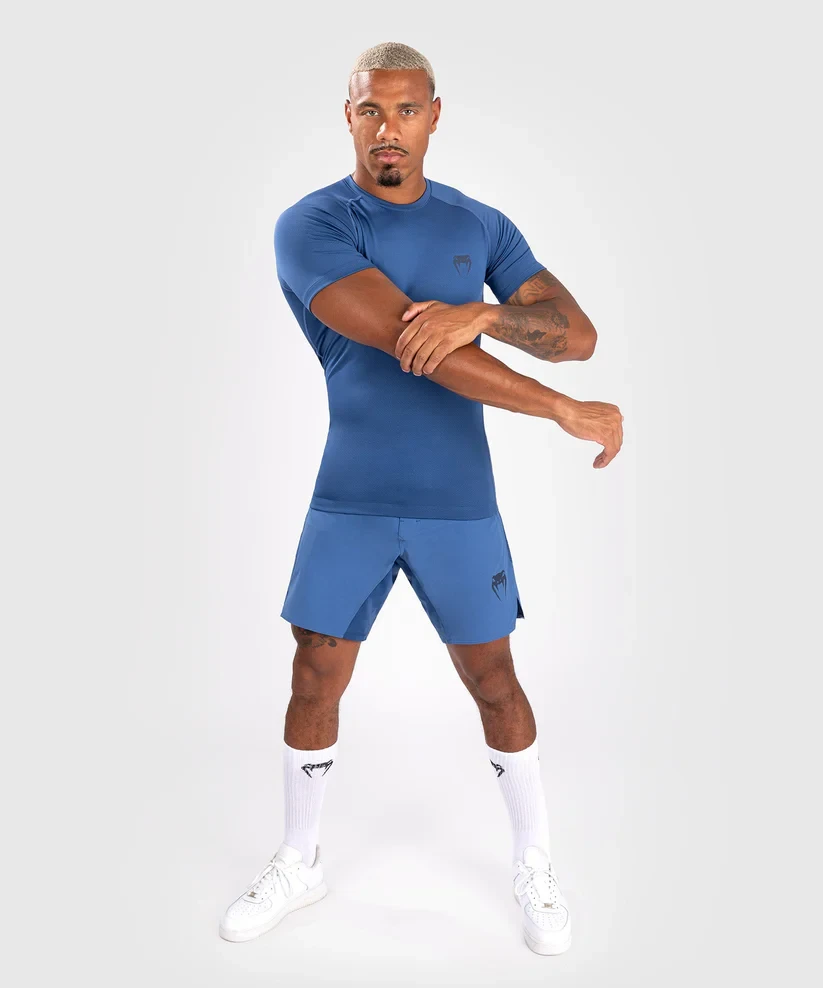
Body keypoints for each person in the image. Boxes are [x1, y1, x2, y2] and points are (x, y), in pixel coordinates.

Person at [219, 41, 623, 956]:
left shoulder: (479, 224)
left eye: (405, 110)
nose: (387, 128)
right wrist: (561, 409)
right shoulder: (312, 224)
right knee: (313, 673)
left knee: (495, 680)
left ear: (434, 116)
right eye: (370, 109)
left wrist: (483, 311)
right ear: (348, 117)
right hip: (350, 499)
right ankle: (298, 858)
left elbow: (576, 333)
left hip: (458, 504)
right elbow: (415, 343)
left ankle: (533, 862)